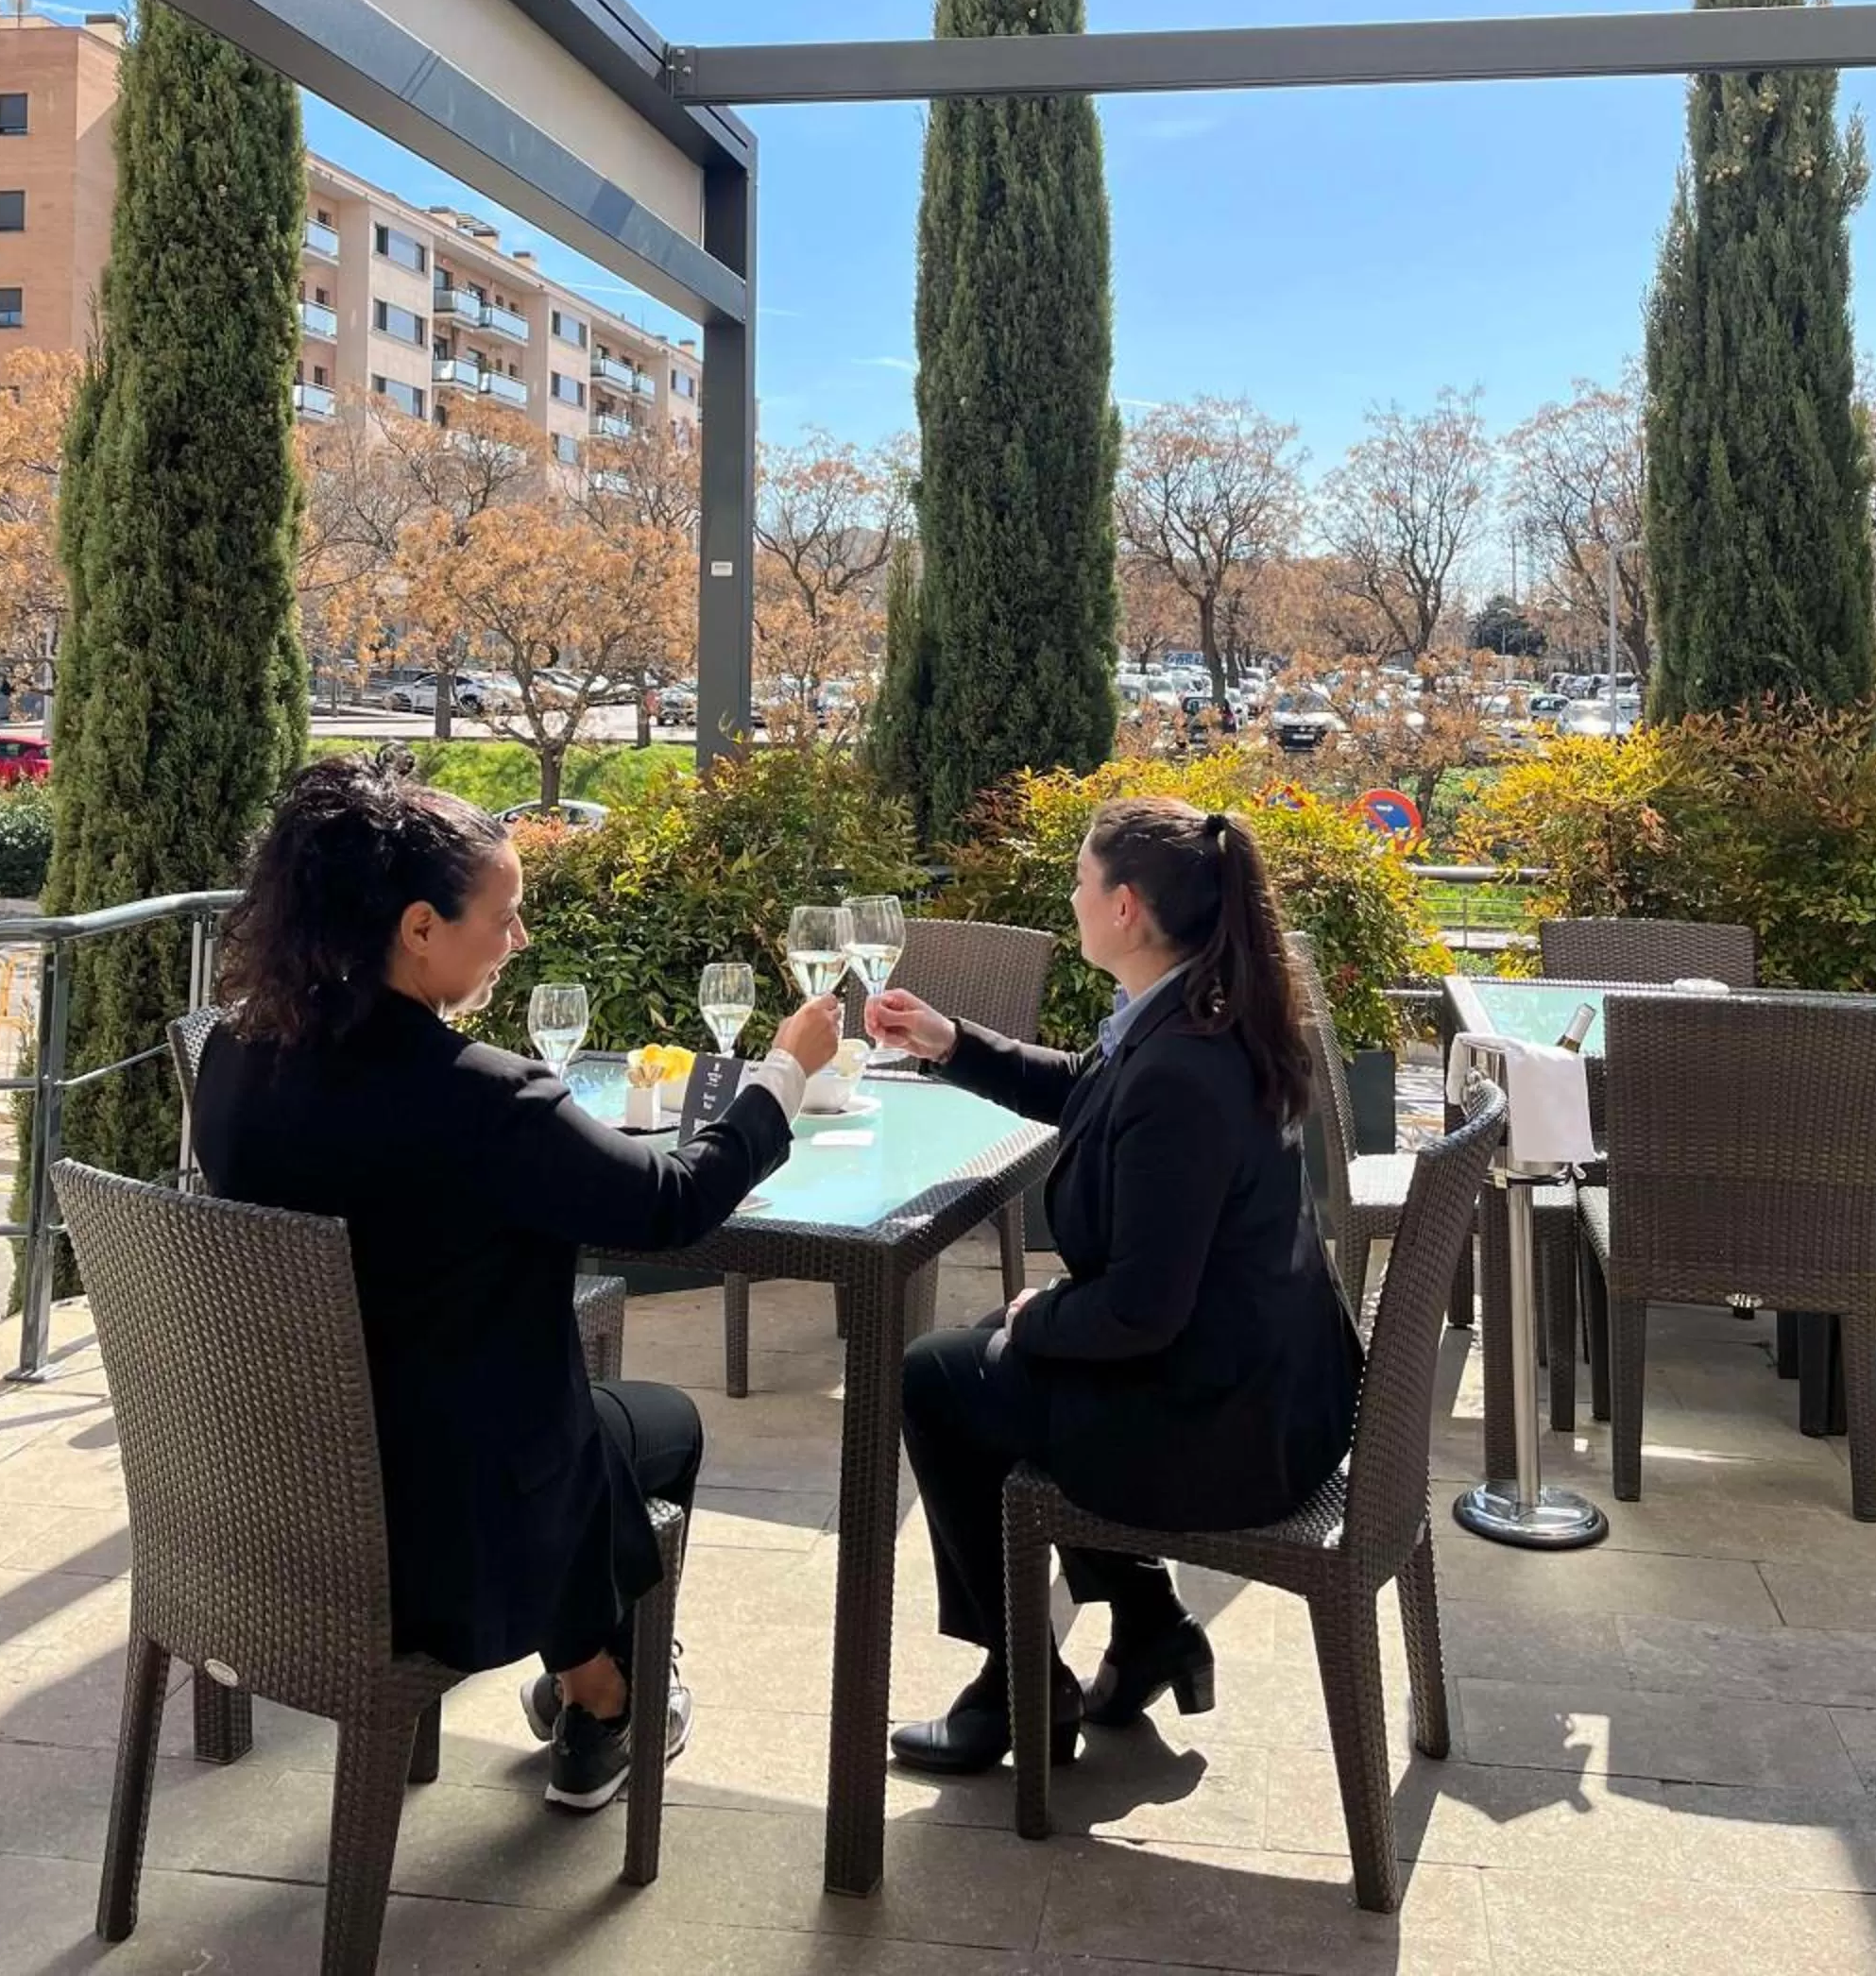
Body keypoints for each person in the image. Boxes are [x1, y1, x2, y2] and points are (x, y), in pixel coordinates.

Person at [192, 756, 841, 1814]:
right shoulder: (482, 1103)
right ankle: (603, 1695)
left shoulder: (234, 1055)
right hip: (447, 1548)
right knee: (649, 1427)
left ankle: (596, 1687)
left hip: (269, 1501)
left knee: (559, 1414)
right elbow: (672, 1203)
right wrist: (783, 1076)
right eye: (506, 916)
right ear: (416, 929)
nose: (521, 939)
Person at [870, 795, 1360, 1775]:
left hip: (1228, 1435)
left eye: (1081, 880)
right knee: (983, 1369)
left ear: (1127, 906)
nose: (1072, 895)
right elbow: (1094, 1093)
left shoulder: (1183, 1068)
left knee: (937, 1378)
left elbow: (1139, 1310)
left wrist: (1039, 1311)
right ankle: (1147, 1625)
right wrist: (952, 1043)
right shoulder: (1196, 1012)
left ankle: (1020, 1685)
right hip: (1266, 1388)